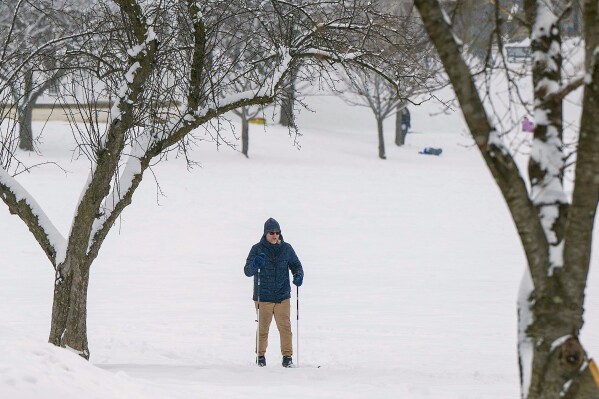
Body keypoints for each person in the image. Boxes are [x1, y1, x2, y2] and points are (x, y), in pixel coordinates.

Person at [244, 217, 304, 368]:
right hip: (263, 296)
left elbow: (296, 265)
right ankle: (261, 356)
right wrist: (255, 264)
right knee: (263, 328)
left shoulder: (287, 249)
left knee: (285, 328)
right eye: (271, 232)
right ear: (265, 233)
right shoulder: (256, 249)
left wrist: (298, 275)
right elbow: (247, 271)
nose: (275, 235)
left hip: (282, 296)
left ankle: (287, 357)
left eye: (277, 232)